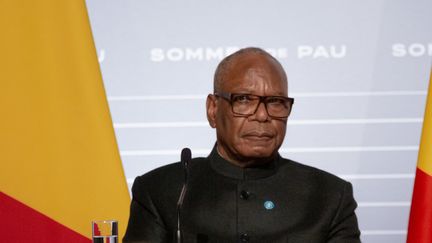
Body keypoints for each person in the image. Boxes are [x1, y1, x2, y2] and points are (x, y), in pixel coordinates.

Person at [123, 47, 361, 242]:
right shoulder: (163, 192)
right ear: (213, 109)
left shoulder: (329, 197)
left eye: (276, 102)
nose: (262, 116)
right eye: (245, 99)